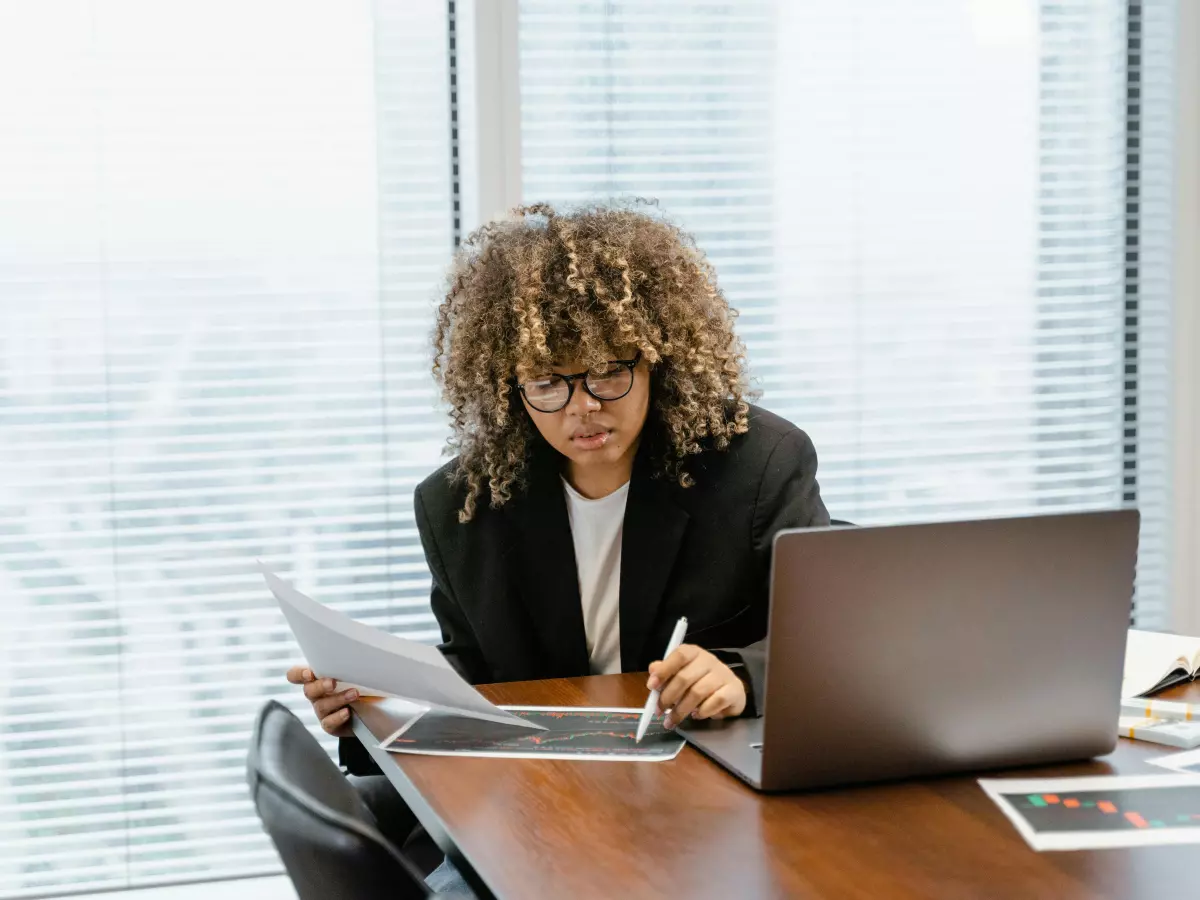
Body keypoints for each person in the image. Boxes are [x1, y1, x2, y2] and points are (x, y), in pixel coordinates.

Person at [286, 202, 829, 874]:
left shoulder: (757, 466)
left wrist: (743, 677)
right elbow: (478, 683)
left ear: (658, 358)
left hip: (707, 808)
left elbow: (830, 639)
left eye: (607, 372)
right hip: (538, 810)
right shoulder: (462, 505)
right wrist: (370, 705)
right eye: (548, 382)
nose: (582, 407)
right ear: (509, 385)